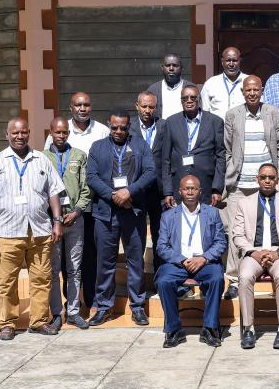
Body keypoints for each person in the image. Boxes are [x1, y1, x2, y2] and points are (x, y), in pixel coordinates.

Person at [0, 117, 65, 341]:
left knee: (41, 278)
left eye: (24, 132)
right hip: (7, 232)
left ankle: (39, 321)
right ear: (7, 135)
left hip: (40, 230)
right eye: (15, 133)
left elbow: (53, 193)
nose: (20, 136)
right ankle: (8, 323)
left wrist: (57, 222)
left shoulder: (42, 160)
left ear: (29, 133)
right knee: (7, 280)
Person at [86, 110, 156, 326]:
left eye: (123, 128)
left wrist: (129, 192)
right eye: (114, 127)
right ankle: (104, 307)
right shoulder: (97, 147)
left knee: (135, 261)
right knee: (105, 262)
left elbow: (150, 172)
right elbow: (91, 177)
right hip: (105, 214)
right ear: (109, 125)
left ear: (129, 127)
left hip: (133, 212)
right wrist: (114, 196)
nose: (118, 131)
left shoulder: (140, 145)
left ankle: (137, 307)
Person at [222, 75, 279, 296]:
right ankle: (233, 279)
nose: (252, 93)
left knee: (272, 230)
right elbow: (227, 149)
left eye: (255, 89)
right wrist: (230, 173)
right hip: (239, 184)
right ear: (242, 92)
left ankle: (276, 272)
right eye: (248, 90)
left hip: (267, 184)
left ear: (262, 90)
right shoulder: (232, 115)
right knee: (236, 232)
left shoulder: (272, 113)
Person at [43, 91, 107, 306]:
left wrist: (79, 209)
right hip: (56, 212)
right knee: (61, 261)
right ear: (71, 107)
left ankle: (89, 301)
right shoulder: (57, 133)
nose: (82, 108)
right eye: (78, 105)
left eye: (86, 105)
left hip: (89, 206)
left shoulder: (101, 130)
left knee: (87, 254)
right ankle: (66, 303)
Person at [232, 164, 279, 349]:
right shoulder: (245, 203)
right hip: (253, 252)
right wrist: (253, 252)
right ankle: (248, 329)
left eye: (271, 177)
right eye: (263, 177)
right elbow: (237, 235)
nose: (268, 181)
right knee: (245, 277)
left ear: (277, 180)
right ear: (257, 179)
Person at [154, 175, 227, 348]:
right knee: (164, 281)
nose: (190, 192)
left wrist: (204, 258)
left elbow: (220, 242)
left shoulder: (212, 213)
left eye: (193, 188)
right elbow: (161, 246)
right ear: (180, 191)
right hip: (178, 263)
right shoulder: (168, 216)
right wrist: (182, 260)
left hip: (204, 262)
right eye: (186, 188)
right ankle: (174, 329)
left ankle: (209, 328)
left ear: (200, 191)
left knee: (216, 278)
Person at [43, 117, 92, 330]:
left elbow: (86, 188)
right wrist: (53, 216)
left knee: (74, 268)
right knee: (54, 269)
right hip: (51, 222)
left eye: (64, 132)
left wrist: (77, 211)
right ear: (51, 133)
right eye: (57, 132)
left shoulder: (79, 156)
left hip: (75, 220)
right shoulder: (42, 157)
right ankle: (56, 313)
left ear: (68, 133)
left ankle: (73, 312)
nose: (61, 136)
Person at [159, 84, 226, 210]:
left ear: (199, 99)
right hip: (179, 185)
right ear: (181, 101)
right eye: (185, 98)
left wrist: (217, 188)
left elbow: (221, 156)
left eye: (193, 97)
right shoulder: (171, 122)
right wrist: (168, 191)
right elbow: (165, 159)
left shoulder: (215, 122)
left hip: (206, 185)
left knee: (204, 220)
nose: (189, 101)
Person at [129, 91, 164, 284]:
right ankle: (138, 283)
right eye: (144, 106)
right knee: (137, 237)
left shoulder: (164, 126)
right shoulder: (129, 127)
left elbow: (168, 157)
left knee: (161, 236)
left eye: (151, 107)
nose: (147, 110)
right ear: (137, 106)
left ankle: (161, 280)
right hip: (137, 191)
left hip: (159, 192)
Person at [201, 46, 248, 118]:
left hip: (243, 125)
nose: (231, 64)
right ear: (222, 61)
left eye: (235, 60)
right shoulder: (211, 83)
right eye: (228, 60)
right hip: (217, 125)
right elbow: (204, 111)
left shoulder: (249, 82)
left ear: (240, 61)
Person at [147, 53, 189, 120]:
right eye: (168, 65)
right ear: (162, 68)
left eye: (175, 65)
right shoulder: (153, 90)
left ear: (181, 68)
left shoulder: (190, 88)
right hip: (161, 126)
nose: (171, 68)